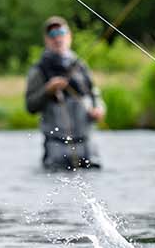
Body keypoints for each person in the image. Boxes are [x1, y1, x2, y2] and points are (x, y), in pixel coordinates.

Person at [24, 16, 104, 170]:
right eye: (52, 35)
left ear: (69, 36)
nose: (57, 38)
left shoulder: (81, 66)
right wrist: (47, 90)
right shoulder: (39, 70)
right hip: (56, 147)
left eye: (61, 32)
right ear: (46, 40)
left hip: (87, 146)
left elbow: (95, 95)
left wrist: (99, 109)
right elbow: (30, 106)